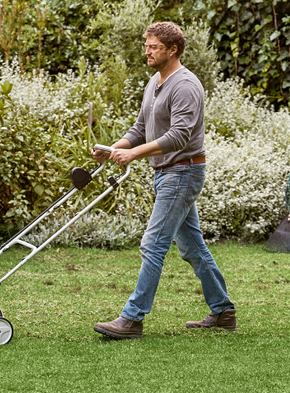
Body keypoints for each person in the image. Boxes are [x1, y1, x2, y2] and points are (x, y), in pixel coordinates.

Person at [92, 21, 236, 339]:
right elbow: (141, 128)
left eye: (154, 46)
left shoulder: (185, 85)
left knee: (153, 245)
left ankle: (131, 319)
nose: (147, 50)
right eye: (146, 45)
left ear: (172, 50)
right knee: (192, 247)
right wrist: (113, 148)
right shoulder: (155, 83)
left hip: (182, 171)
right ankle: (223, 311)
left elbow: (179, 136)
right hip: (167, 173)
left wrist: (134, 155)